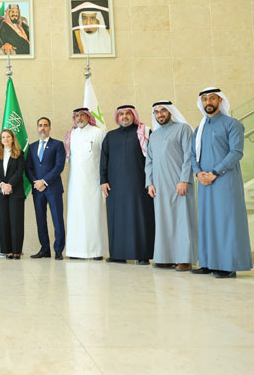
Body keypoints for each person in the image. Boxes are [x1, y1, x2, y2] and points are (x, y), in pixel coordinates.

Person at [190, 87, 252, 278]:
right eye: (205, 99)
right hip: (204, 182)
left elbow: (236, 152)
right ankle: (208, 263)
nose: (208, 102)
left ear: (220, 101)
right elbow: (193, 154)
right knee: (207, 221)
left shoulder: (232, 124)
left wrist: (215, 172)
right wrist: (199, 173)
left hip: (225, 181)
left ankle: (228, 265)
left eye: (212, 98)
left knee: (226, 221)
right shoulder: (199, 128)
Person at [146, 101, 198, 271]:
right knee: (163, 221)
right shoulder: (154, 135)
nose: (160, 114)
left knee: (182, 220)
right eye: (157, 112)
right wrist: (149, 183)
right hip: (159, 186)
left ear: (170, 112)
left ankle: (185, 259)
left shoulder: (183, 129)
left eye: (163, 111)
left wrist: (184, 180)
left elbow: (189, 156)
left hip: (179, 184)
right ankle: (165, 257)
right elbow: (149, 161)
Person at [100, 105, 155, 265]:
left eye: (128, 113)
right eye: (121, 114)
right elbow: (104, 159)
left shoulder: (144, 132)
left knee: (140, 218)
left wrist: (151, 181)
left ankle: (142, 254)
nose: (124, 116)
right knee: (117, 219)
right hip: (115, 186)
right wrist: (103, 180)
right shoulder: (110, 136)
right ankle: (118, 254)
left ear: (134, 115)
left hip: (139, 184)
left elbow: (152, 158)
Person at [64, 108, 107, 260]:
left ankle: (96, 252)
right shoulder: (72, 134)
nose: (79, 118)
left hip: (93, 183)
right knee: (76, 216)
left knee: (93, 216)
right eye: (76, 116)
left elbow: (105, 157)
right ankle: (75, 251)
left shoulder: (98, 133)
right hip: (75, 184)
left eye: (82, 115)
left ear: (88, 117)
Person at [25, 117, 66, 260]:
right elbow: (28, 167)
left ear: (49, 128)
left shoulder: (58, 145)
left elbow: (59, 166)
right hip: (38, 190)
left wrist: (44, 181)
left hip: (53, 188)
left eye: (45, 125)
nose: (42, 128)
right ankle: (45, 249)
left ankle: (58, 250)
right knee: (40, 219)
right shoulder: (32, 147)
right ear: (37, 128)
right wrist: (36, 183)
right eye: (40, 125)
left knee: (57, 220)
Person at [0, 129, 26, 259]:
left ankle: (16, 250)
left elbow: (19, 171)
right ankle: (6, 250)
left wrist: (10, 184)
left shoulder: (20, 154)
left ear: (12, 139)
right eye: (3, 137)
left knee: (16, 221)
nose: (5, 139)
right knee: (4, 221)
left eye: (8, 137)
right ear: (1, 140)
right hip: (2, 192)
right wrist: (2, 185)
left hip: (16, 192)